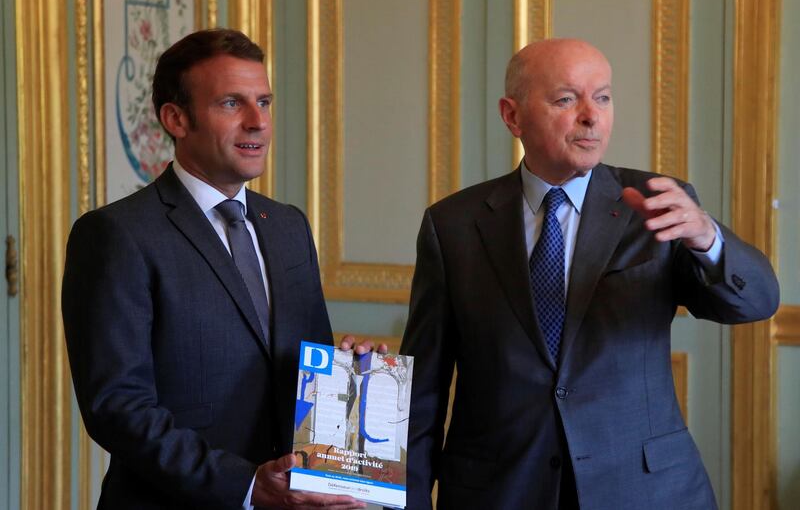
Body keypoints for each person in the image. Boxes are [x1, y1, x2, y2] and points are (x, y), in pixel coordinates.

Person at [401, 38, 779, 509]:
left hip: (643, 489)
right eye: (566, 99)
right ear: (512, 115)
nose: (591, 116)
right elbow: (422, 390)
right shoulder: (452, 224)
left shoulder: (658, 203)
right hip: (502, 491)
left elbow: (758, 302)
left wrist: (707, 237)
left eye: (602, 97)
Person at [62, 29, 381, 510]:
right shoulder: (116, 234)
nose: (257, 122)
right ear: (176, 118)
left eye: (265, 102)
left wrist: (351, 372)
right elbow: (118, 409)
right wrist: (248, 485)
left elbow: (304, 374)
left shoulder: (289, 226)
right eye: (232, 104)